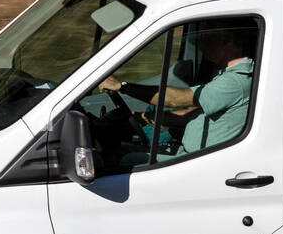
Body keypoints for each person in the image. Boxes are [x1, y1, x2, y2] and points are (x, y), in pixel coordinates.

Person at [101, 18, 256, 158]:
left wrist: (123, 87)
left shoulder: (236, 81)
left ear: (228, 41)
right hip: (188, 154)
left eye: (208, 36)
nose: (201, 42)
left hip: (200, 162)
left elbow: (175, 99)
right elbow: (191, 114)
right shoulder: (226, 75)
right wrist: (144, 117)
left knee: (121, 160)